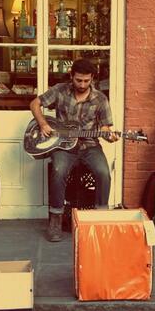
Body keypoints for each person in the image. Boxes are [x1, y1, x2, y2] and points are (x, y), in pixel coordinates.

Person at [29, 58, 119, 242]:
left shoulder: (100, 99)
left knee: (103, 173)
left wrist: (109, 135)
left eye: (87, 81)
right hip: (63, 146)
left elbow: (104, 128)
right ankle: (55, 220)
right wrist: (43, 123)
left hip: (90, 146)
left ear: (92, 78)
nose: (82, 84)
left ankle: (101, 217)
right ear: (72, 76)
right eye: (79, 80)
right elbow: (34, 104)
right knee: (58, 170)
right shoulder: (60, 90)